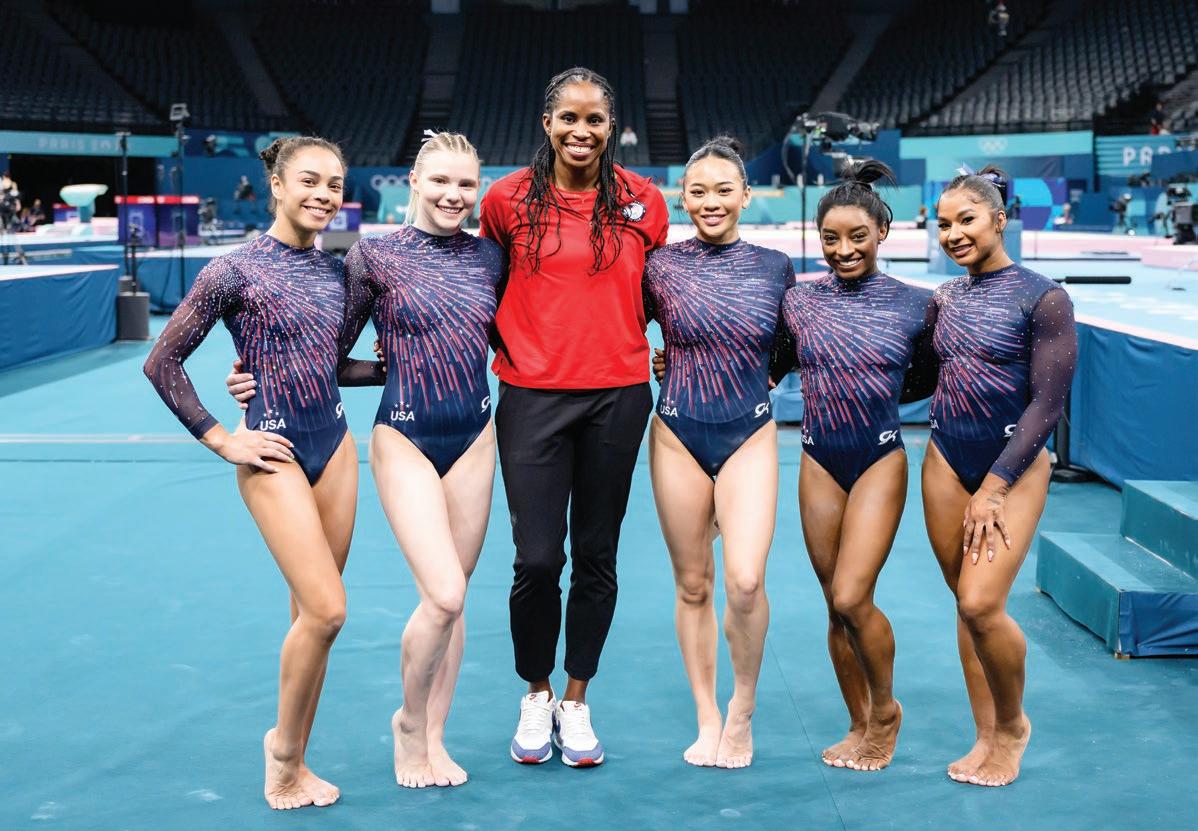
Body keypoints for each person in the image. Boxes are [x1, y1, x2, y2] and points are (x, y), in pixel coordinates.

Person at [226, 133, 503, 789]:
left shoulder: (491, 256)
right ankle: (407, 725)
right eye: (440, 181)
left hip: (475, 435)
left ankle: (433, 735)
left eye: (466, 184)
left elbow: (518, 332)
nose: (453, 195)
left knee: (453, 603)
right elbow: (325, 353)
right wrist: (257, 378)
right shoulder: (372, 257)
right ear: (414, 181)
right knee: (444, 591)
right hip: (404, 434)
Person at [143, 136, 383, 810]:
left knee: (310, 615)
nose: (324, 194)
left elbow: (329, 365)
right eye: (309, 180)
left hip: (335, 448)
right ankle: (280, 756)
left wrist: (389, 369)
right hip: (272, 451)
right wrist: (220, 437)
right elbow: (162, 361)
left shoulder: (341, 274)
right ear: (275, 185)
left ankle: (297, 755)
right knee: (329, 610)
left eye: (334, 184)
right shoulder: (233, 270)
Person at [478, 66, 668, 768]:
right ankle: (537, 691)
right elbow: (480, 286)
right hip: (531, 397)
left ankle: (577, 699)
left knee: (596, 554)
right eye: (569, 118)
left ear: (612, 127)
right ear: (547, 123)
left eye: (595, 119)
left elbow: (660, 293)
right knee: (536, 558)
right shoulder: (505, 200)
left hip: (618, 396)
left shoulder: (645, 202)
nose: (581, 131)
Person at [778, 161, 936, 772]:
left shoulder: (917, 305)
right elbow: (769, 366)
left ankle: (887, 711)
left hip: (878, 457)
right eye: (831, 238)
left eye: (858, 237)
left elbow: (928, 377)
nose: (843, 249)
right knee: (832, 603)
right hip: (818, 456)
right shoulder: (799, 302)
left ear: (883, 233)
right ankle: (857, 719)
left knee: (852, 594)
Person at [643, 136, 793, 769]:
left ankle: (743, 709)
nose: (711, 201)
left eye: (724, 190)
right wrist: (662, 364)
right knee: (693, 583)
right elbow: (620, 329)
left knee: (746, 580)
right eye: (698, 191)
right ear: (682, 197)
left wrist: (763, 376)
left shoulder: (775, 266)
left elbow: (789, 342)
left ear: (745, 196)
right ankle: (707, 713)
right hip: (677, 432)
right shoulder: (659, 266)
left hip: (749, 433)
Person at [928, 165, 1076, 787]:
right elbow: (913, 377)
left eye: (966, 220)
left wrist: (995, 486)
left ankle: (1012, 727)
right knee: (965, 608)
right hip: (944, 459)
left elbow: (1048, 403)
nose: (954, 234)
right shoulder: (945, 298)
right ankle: (984, 734)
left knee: (981, 602)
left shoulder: (1044, 297)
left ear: (999, 219)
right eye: (943, 225)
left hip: (1011, 468)